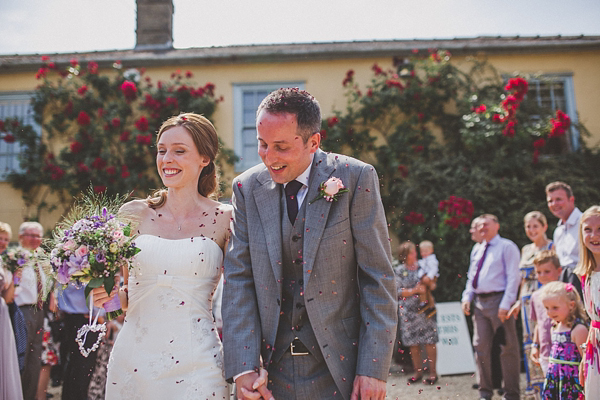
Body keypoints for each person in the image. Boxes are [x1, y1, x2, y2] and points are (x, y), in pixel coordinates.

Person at [222, 88, 398, 400]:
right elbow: (239, 279)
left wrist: (373, 368)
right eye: (262, 145)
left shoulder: (356, 178)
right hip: (268, 373)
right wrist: (243, 366)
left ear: (313, 142)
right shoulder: (246, 188)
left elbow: (377, 278)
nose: (269, 157)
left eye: (281, 147)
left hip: (340, 367)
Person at [92, 113, 252, 398]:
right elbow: (125, 300)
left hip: (199, 361)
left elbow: (241, 297)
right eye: (162, 150)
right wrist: (107, 300)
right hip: (135, 361)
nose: (167, 159)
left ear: (204, 158)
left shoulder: (225, 219)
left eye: (179, 151)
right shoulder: (133, 213)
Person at [461, 214, 521, 400]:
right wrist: (467, 297)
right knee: (480, 347)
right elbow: (472, 277)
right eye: (479, 226)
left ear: (497, 225)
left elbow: (514, 277)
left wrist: (506, 304)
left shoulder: (507, 247)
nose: (482, 228)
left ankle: (511, 393)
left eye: (486, 224)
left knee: (507, 347)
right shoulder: (477, 249)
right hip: (479, 303)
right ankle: (484, 393)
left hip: (499, 301)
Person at [507, 211, 553, 399]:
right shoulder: (525, 249)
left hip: (545, 299)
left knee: (545, 340)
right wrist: (518, 301)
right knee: (529, 344)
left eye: (535, 226)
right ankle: (534, 389)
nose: (532, 230)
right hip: (526, 302)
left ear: (544, 226)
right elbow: (522, 280)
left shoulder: (552, 246)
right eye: (528, 226)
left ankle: (549, 387)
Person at [395, 241, 439, 384]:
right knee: (413, 343)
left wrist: (430, 283)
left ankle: (433, 373)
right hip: (408, 312)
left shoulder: (424, 265)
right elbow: (396, 291)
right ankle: (418, 372)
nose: (416, 254)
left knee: (430, 341)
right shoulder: (399, 270)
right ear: (406, 255)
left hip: (425, 309)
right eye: (413, 252)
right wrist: (414, 290)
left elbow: (433, 284)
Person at [539, 281, 588, 399]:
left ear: (571, 305)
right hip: (554, 379)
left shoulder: (578, 329)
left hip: (570, 381)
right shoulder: (555, 327)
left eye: (555, 308)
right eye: (547, 308)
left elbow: (586, 360)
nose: (550, 312)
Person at [14, 221, 46, 400]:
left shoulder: (40, 259)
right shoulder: (14, 257)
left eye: (38, 236)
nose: (35, 239)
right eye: (31, 235)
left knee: (35, 361)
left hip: (40, 312)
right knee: (22, 359)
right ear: (21, 237)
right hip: (22, 311)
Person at [574, 205, 600, 397]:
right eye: (588, 230)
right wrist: (585, 358)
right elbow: (593, 321)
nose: (594, 235)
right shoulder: (586, 274)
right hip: (595, 350)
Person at [546, 181, 583, 297]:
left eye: (558, 199)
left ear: (571, 200)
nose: (554, 204)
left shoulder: (585, 223)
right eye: (550, 201)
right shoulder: (558, 231)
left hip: (583, 281)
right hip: (564, 283)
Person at [529, 251, 562, 377]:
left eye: (547, 271)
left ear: (559, 271)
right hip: (545, 353)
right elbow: (539, 323)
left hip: (565, 352)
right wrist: (535, 345)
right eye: (538, 272)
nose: (542, 275)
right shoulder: (535, 296)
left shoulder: (566, 292)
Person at [0, 263, 24, 400]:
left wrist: (14, 278)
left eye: (5, 239)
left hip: (2, 313)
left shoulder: (3, 262)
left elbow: (8, 298)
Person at [417, 240, 438, 316]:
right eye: (422, 251)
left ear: (431, 250)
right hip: (425, 277)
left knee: (423, 289)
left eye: (426, 251)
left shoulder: (432, 260)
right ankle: (429, 305)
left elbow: (434, 269)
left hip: (431, 277)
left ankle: (425, 303)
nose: (424, 253)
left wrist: (429, 277)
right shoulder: (423, 260)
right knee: (426, 291)